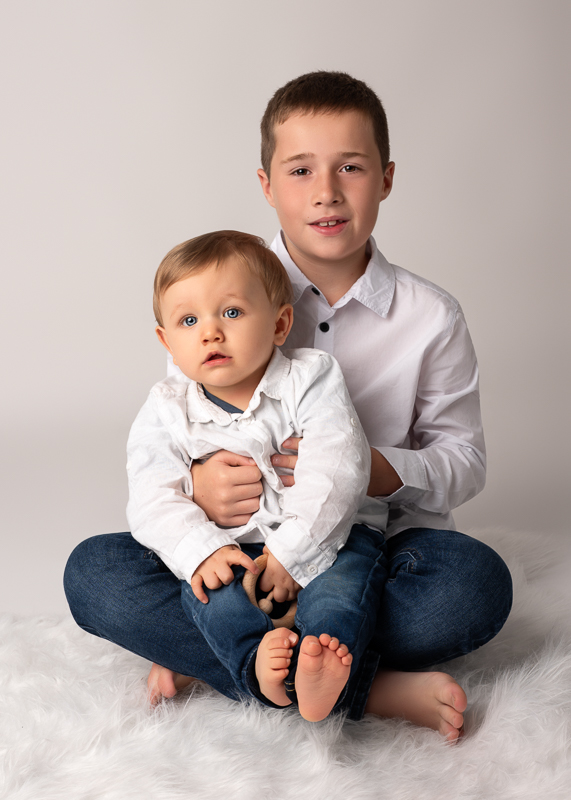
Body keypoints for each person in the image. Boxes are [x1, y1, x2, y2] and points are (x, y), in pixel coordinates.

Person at [64, 71, 513, 742]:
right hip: (239, 546)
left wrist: (377, 471)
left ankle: (225, 651)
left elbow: (465, 462)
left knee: (472, 587)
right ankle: (368, 687)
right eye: (300, 170)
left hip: (376, 544)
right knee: (94, 574)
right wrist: (199, 487)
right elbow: (176, 427)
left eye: (350, 168)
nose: (326, 192)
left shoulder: (431, 317)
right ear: (266, 185)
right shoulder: (214, 293)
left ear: (385, 179)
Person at [126, 229, 389, 721]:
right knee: (209, 595)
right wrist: (202, 549)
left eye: (231, 312)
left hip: (325, 541)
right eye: (188, 320)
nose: (210, 332)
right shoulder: (167, 406)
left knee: (341, 593)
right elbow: (149, 493)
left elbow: (338, 467)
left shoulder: (311, 377)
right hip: (228, 546)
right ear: (167, 341)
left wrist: (291, 555)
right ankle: (256, 670)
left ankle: (318, 662)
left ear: (279, 323)